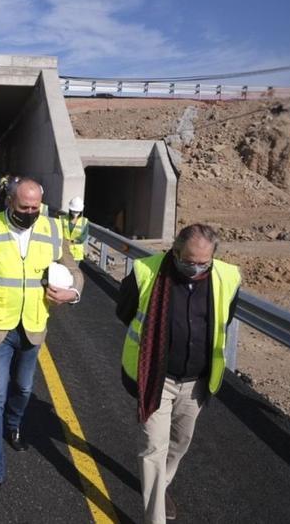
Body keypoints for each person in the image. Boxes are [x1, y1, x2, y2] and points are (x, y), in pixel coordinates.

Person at [0, 177, 84, 511]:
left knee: (24, 389)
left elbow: (73, 268)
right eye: (24, 207)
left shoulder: (54, 229)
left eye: (36, 207)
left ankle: (14, 425)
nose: (30, 213)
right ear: (9, 201)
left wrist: (73, 293)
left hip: (33, 326)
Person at [115, 224, 241, 524]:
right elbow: (124, 311)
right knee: (153, 448)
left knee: (179, 442)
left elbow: (226, 317)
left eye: (203, 263)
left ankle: (162, 486)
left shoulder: (228, 277)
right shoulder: (145, 271)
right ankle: (154, 516)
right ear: (174, 251)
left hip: (196, 382)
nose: (195, 268)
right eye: (188, 261)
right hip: (156, 379)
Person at [61, 197, 90, 262]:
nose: (75, 213)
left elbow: (83, 237)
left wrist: (73, 241)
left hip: (77, 253)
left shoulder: (84, 221)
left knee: (74, 271)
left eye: (77, 212)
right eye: (73, 211)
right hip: (64, 249)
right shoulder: (62, 219)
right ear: (70, 210)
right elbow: (58, 232)